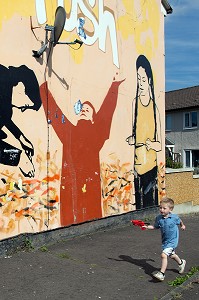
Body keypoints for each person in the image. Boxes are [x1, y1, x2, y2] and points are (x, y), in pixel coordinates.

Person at [40, 78, 124, 226]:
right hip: (70, 183)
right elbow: (55, 113)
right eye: (82, 109)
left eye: (88, 110)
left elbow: (107, 111)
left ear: (93, 117)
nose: (84, 111)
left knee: (90, 214)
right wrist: (43, 89)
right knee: (69, 217)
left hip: (89, 182)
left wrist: (114, 86)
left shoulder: (97, 134)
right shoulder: (69, 132)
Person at [126, 55, 162, 209]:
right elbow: (133, 133)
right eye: (138, 79)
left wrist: (152, 144)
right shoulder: (135, 104)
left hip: (150, 168)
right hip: (137, 167)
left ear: (149, 81)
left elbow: (160, 145)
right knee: (138, 208)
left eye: (143, 79)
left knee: (150, 205)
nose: (140, 83)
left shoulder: (155, 109)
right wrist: (132, 139)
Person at [143, 197, 186, 281]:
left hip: (173, 241)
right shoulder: (159, 218)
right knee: (172, 255)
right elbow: (155, 226)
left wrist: (182, 225)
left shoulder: (174, 218)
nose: (161, 210)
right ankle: (181, 263)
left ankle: (161, 273)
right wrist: (147, 227)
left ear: (170, 209)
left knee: (164, 255)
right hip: (165, 241)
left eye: (164, 208)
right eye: (160, 207)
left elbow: (180, 221)